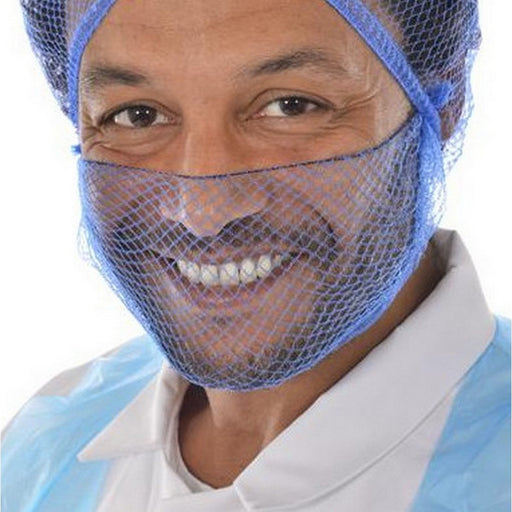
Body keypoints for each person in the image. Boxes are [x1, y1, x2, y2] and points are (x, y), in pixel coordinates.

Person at [2, 0, 510, 510]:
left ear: (444, 102)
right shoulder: (46, 447)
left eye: (291, 106)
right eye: (137, 115)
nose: (203, 213)